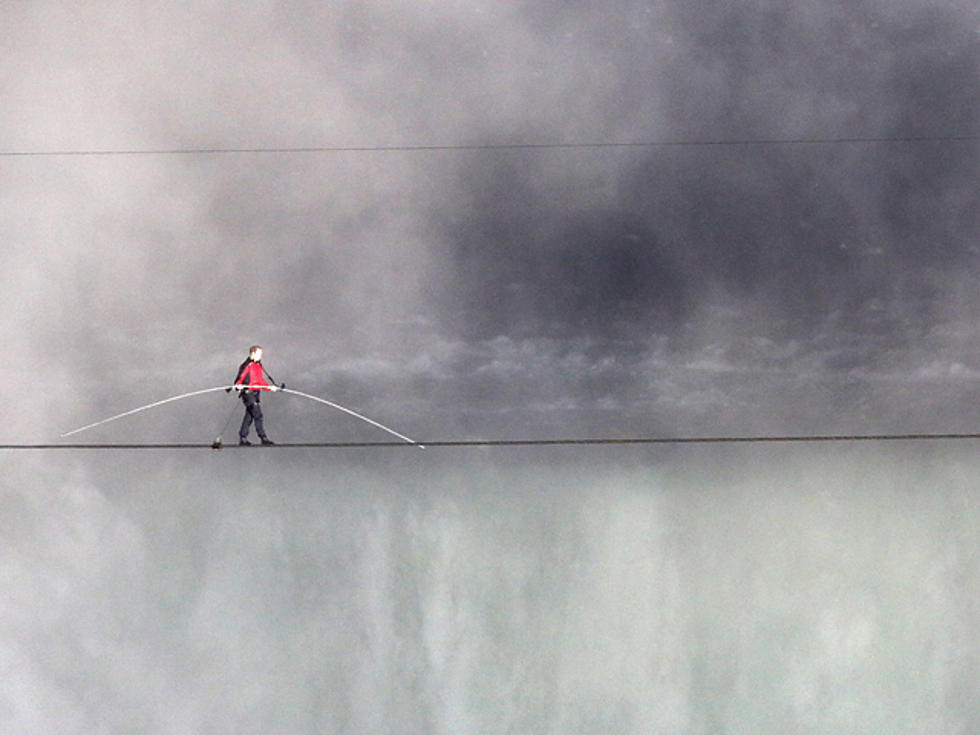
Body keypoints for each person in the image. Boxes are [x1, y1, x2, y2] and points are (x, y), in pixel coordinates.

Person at [230, 345, 281, 445]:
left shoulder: (258, 366)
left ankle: (243, 437)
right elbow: (240, 378)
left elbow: (260, 381)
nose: (260, 357)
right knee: (258, 415)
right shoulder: (247, 365)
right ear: (252, 354)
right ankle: (263, 437)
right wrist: (237, 386)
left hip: (256, 393)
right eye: (259, 354)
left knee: (249, 416)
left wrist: (270, 387)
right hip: (248, 393)